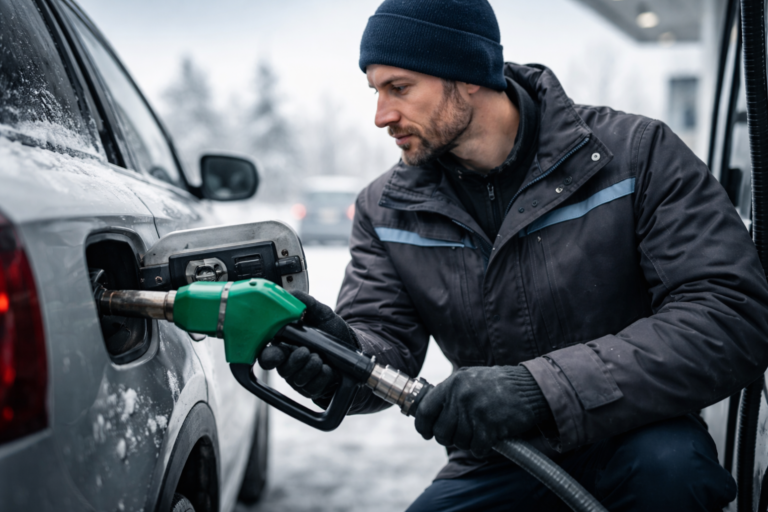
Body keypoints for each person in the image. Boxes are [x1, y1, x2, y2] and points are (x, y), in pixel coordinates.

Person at [259, 0, 768, 509]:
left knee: (673, 476)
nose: (381, 115)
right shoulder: (387, 208)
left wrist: (535, 389)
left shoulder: (634, 156)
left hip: (641, 436)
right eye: (376, 91)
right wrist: (339, 358)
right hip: (501, 456)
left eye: (400, 88)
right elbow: (385, 344)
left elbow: (730, 315)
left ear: (468, 72)